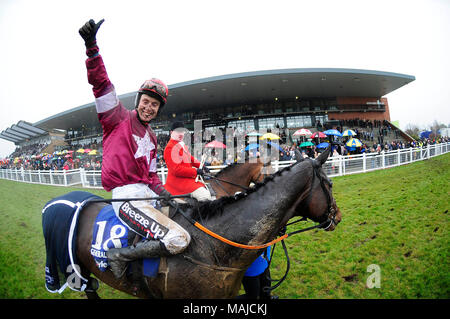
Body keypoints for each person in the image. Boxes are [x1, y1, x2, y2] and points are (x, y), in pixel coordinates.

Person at [79, 19, 190, 279]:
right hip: (125, 197)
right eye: (146, 101)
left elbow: (151, 176)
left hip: (147, 196)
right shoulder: (115, 117)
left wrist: (167, 194)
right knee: (177, 238)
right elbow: (101, 85)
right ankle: (120, 256)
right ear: (138, 100)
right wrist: (92, 49)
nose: (149, 107)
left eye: (154, 105)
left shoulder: (152, 138)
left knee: (184, 214)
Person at [163, 121, 213, 201]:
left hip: (187, 179)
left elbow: (190, 159)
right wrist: (196, 171)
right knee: (204, 196)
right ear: (171, 132)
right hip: (178, 183)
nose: (180, 134)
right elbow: (176, 170)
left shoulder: (181, 145)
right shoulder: (170, 148)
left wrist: (202, 166)